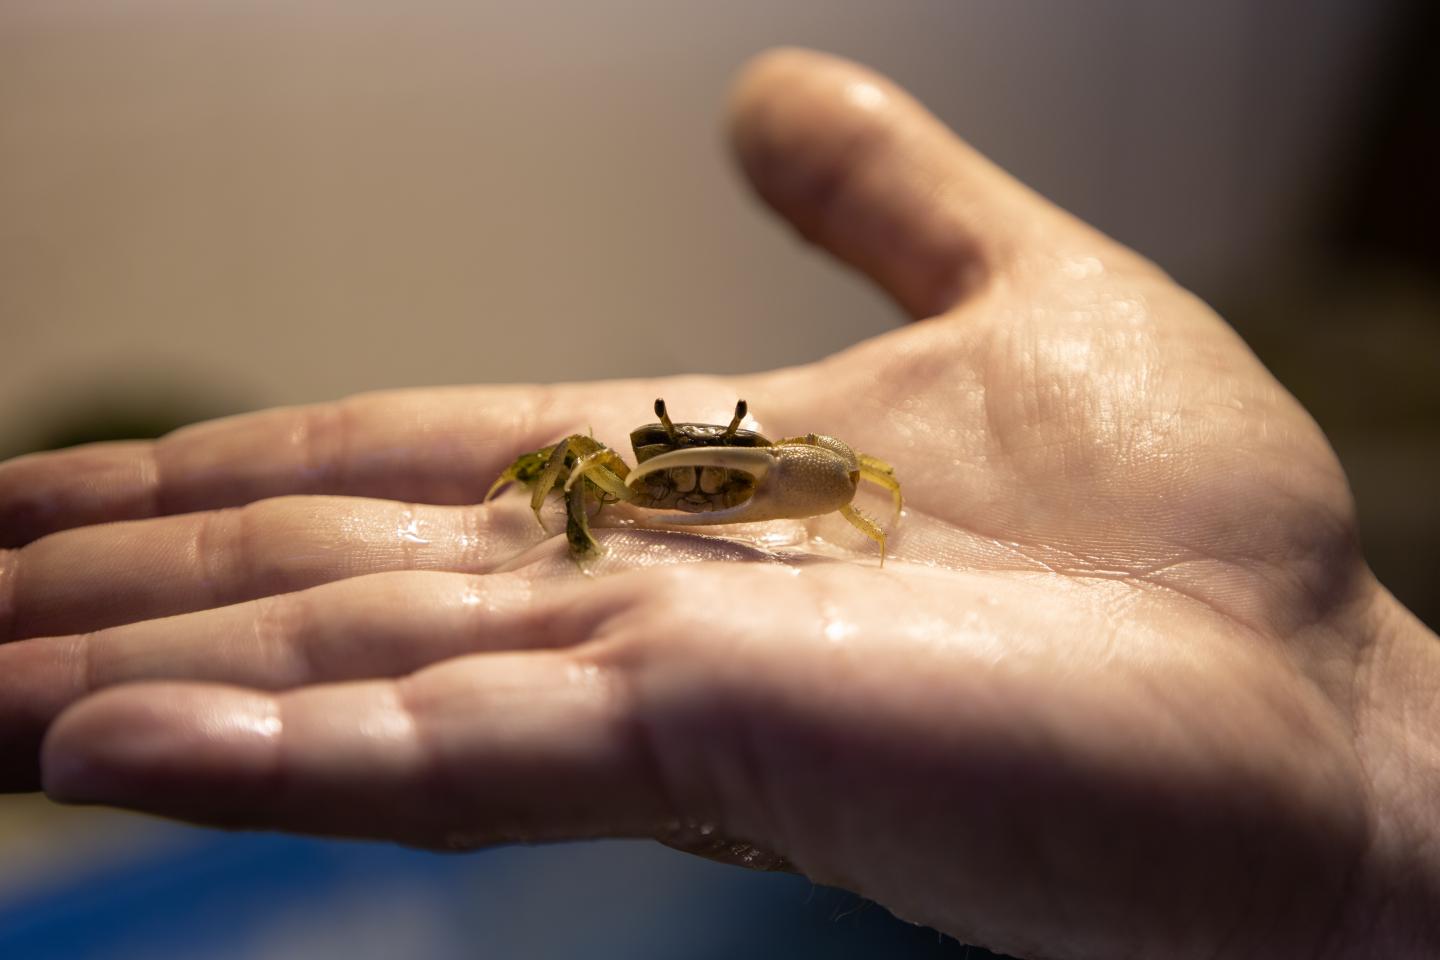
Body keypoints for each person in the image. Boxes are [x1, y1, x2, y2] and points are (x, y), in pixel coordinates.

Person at [0, 48, 1435, 959]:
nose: (693, 455)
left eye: (725, 445)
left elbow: (857, 481)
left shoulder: (814, 471)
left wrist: (1377, 794)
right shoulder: (620, 474)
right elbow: (590, 470)